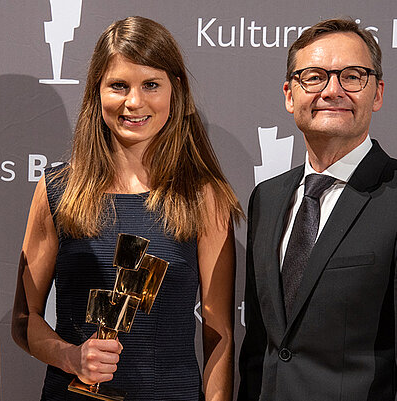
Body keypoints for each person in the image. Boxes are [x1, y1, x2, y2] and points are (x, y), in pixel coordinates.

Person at [12, 16, 242, 401]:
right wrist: (71, 357)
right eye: (118, 85)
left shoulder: (205, 196)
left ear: (176, 91)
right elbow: (24, 320)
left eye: (151, 85)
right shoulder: (57, 190)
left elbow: (219, 335)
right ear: (96, 92)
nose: (134, 102)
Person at [238, 18, 397, 400]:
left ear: (377, 93)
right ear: (289, 94)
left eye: (352, 76)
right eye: (313, 77)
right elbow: (261, 347)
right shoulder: (268, 197)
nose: (332, 90)